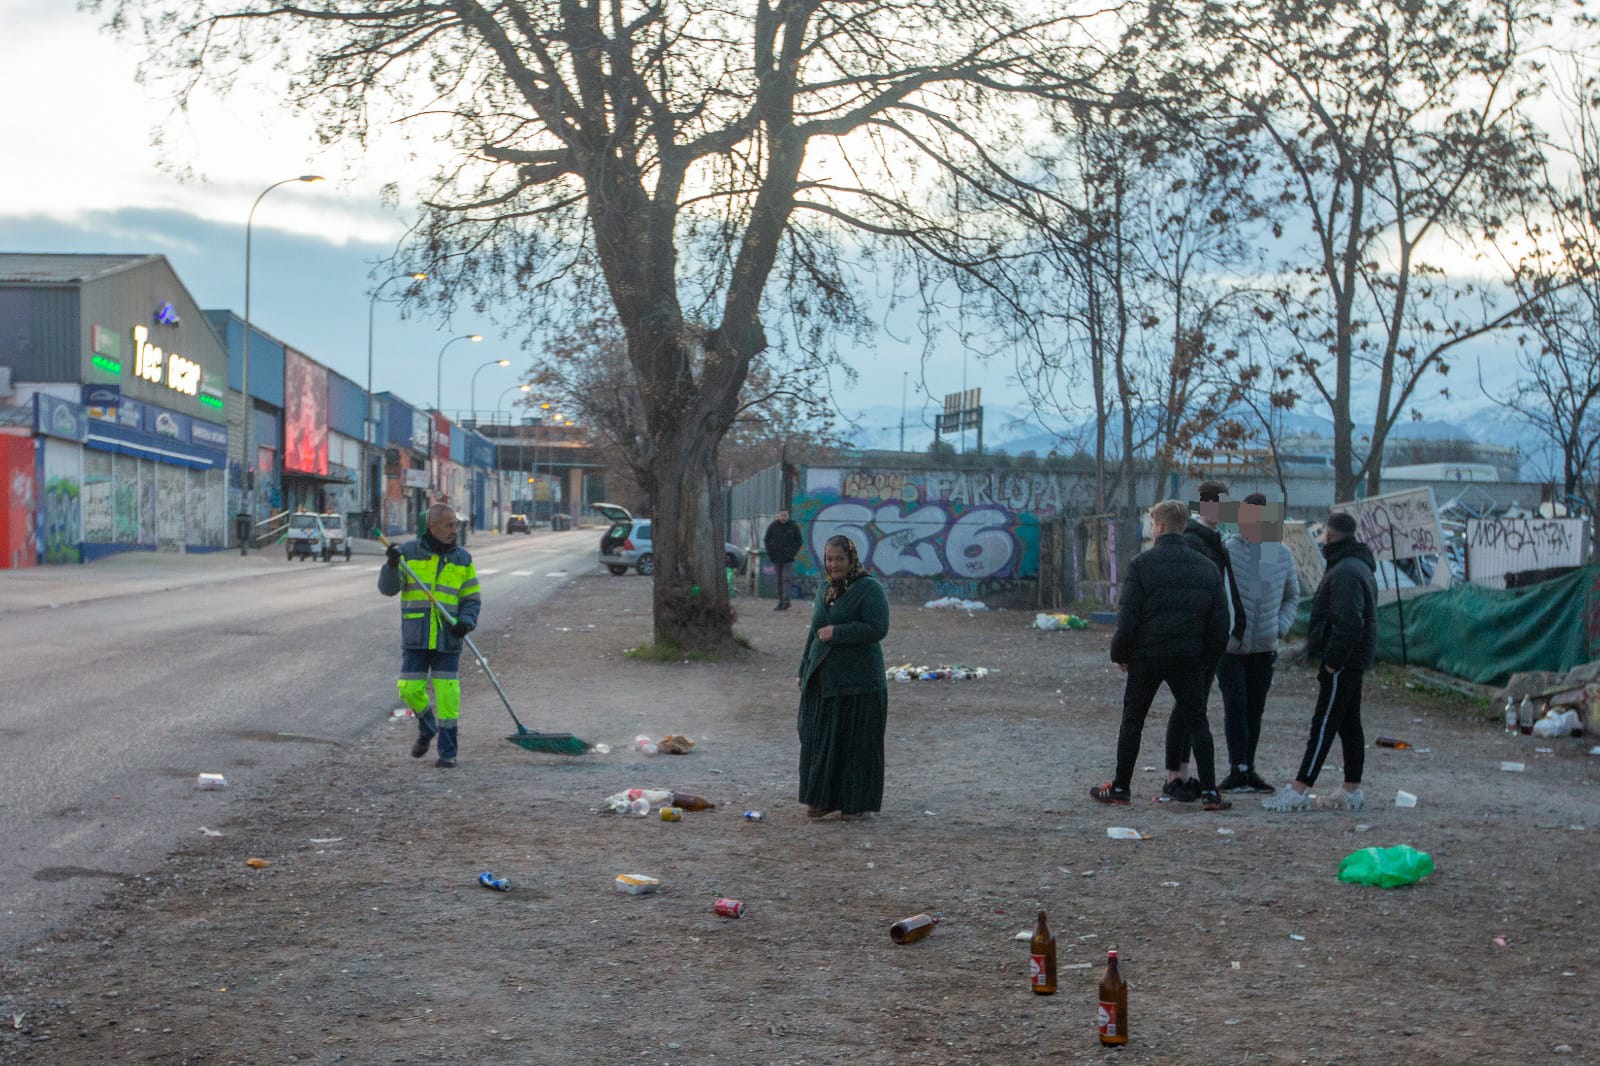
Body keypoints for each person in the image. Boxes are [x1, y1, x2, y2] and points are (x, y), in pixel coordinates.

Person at [1093, 500, 1232, 811]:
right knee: (1198, 722)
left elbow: (1129, 617)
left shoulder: (1141, 565)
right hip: (1188, 657)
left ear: (1159, 527)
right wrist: (1207, 657)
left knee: (1133, 721)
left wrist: (1120, 653)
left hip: (1147, 656)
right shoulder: (1206, 567)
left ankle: (1120, 786)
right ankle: (1210, 792)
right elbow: (1220, 621)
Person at [1262, 510, 1377, 812]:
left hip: (1342, 662)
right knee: (1349, 723)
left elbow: (1350, 621)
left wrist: (1333, 661)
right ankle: (1351, 789)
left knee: (1324, 722)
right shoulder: (1358, 566)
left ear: (1328, 535)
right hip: (1354, 660)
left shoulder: (1344, 572)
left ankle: (1299, 789)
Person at [1161, 479, 1247, 802]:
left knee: (1191, 707)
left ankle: (1181, 772)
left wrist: (1235, 624)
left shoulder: (1214, 541)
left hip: (1211, 640)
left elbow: (1225, 589)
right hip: (1199, 640)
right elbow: (1200, 594)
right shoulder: (1197, 542)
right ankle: (1175, 775)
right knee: (1187, 708)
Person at [379, 503, 482, 768]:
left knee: (449, 696)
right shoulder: (408, 554)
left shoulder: (463, 559)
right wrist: (391, 566)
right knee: (409, 689)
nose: (453, 530)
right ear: (433, 527)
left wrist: (466, 622)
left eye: (455, 525)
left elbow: (471, 598)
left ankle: (448, 753)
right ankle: (427, 726)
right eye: (448, 525)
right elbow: (388, 589)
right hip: (417, 636)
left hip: (448, 638)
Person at [796, 534, 890, 820]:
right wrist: (803, 668)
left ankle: (855, 803)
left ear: (851, 560)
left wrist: (839, 633)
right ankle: (822, 799)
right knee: (822, 740)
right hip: (825, 679)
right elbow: (814, 631)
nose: (833, 564)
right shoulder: (825, 589)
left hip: (859, 682)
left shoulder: (868, 588)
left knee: (856, 744)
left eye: (839, 559)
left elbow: (877, 627)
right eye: (829, 559)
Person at [1216, 493, 1301, 793]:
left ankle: (1248, 767)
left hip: (1265, 647)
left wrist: (1281, 625)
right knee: (1235, 704)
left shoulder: (1280, 554)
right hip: (1231, 647)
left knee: (1255, 708)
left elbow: (1293, 596)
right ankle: (1237, 767)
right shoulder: (1226, 551)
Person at [764, 508, 804, 610]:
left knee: (786, 579)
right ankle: (781, 601)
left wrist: (793, 552)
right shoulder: (773, 526)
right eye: (782, 515)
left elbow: (799, 540)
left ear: (788, 516)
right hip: (776, 558)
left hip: (788, 558)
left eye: (785, 515)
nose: (783, 517)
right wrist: (771, 553)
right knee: (779, 581)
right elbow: (767, 540)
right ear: (778, 516)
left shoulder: (793, 526)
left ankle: (786, 600)